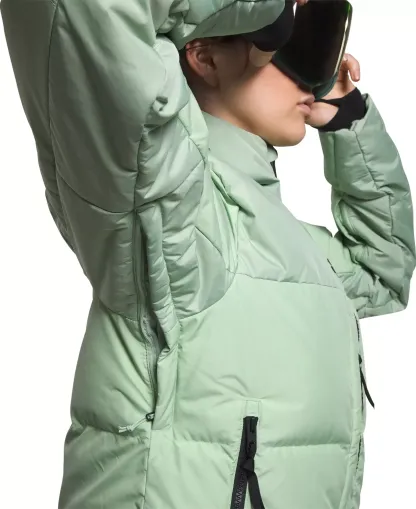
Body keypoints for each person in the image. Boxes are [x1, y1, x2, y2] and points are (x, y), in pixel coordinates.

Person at [1, 1, 415, 508]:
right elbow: (87, 9)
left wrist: (349, 119)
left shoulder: (287, 241)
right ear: (204, 56)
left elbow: (382, 268)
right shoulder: (172, 210)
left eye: (321, 49)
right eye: (292, 43)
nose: (314, 77)